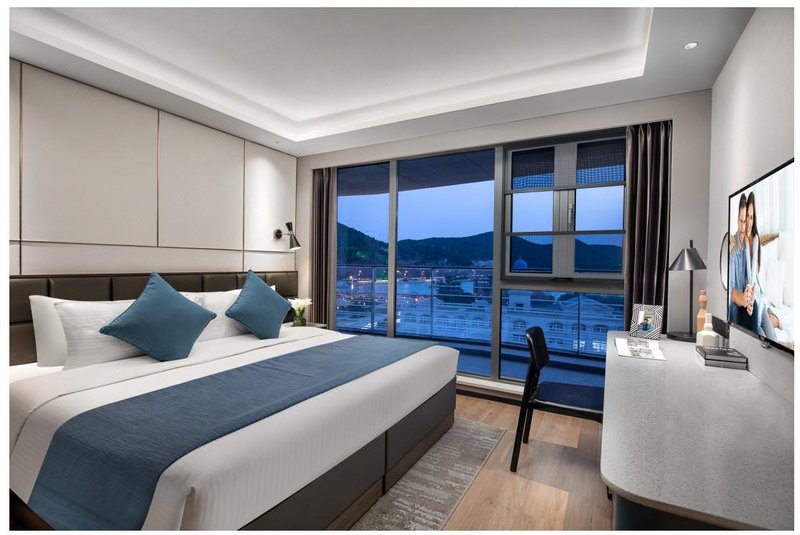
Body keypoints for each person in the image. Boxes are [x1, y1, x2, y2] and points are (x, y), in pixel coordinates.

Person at [728, 194, 754, 330]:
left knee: (757, 309)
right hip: (736, 304)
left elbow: (754, 281)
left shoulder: (750, 246)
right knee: (733, 309)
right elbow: (731, 292)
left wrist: (750, 299)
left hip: (747, 303)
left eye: (746, 222)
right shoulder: (731, 245)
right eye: (741, 221)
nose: (743, 227)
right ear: (737, 220)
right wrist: (743, 299)